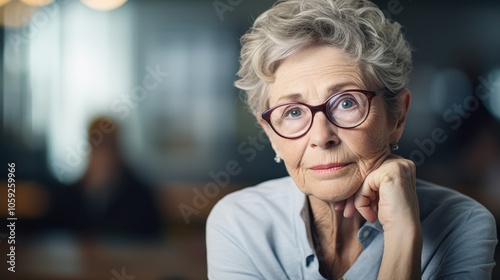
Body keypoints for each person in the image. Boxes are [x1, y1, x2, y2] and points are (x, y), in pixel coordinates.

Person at [206, 0, 497, 279]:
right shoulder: (240, 224)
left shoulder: (461, 224)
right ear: (271, 133)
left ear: (397, 117)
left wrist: (403, 234)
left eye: (346, 103)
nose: (321, 136)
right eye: (293, 112)